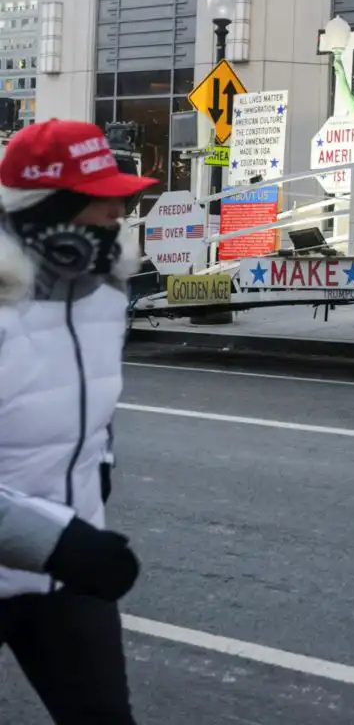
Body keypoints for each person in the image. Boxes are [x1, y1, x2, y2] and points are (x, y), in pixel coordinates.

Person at [0, 119, 158, 724]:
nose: (118, 213)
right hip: (64, 550)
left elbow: (92, 401)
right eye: (102, 198)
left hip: (66, 578)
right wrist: (59, 542)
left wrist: (103, 461)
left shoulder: (104, 292)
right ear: (51, 208)